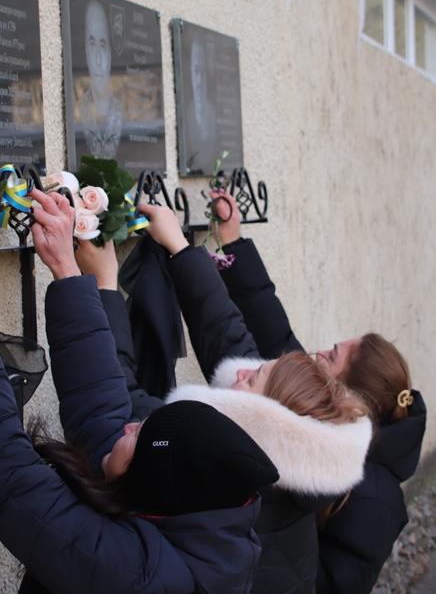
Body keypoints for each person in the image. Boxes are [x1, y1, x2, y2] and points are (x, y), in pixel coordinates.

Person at [0, 188, 279, 593]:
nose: (130, 425)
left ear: (151, 488)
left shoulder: (140, 578)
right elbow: (102, 412)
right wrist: (66, 269)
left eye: (139, 436)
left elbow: (6, 477)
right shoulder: (196, 510)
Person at [87, 203, 373, 594]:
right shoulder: (297, 452)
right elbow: (230, 339)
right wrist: (180, 249)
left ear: (262, 415)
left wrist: (103, 287)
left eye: (252, 377)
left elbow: (118, 401)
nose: (242, 368)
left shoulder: (208, 453)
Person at [207, 189, 429, 594]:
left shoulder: (375, 499)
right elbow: (270, 324)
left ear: (344, 397)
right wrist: (233, 243)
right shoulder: (320, 418)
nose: (313, 353)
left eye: (330, 356)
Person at [76, 0, 123, 160]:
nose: (98, 60)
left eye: (102, 45)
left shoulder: (120, 109)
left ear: (110, 53)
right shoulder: (79, 108)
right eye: (92, 44)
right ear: (85, 52)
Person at [182, 36, 219, 173]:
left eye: (203, 72)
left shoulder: (212, 113)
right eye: (196, 71)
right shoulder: (186, 113)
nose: (199, 80)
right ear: (190, 72)